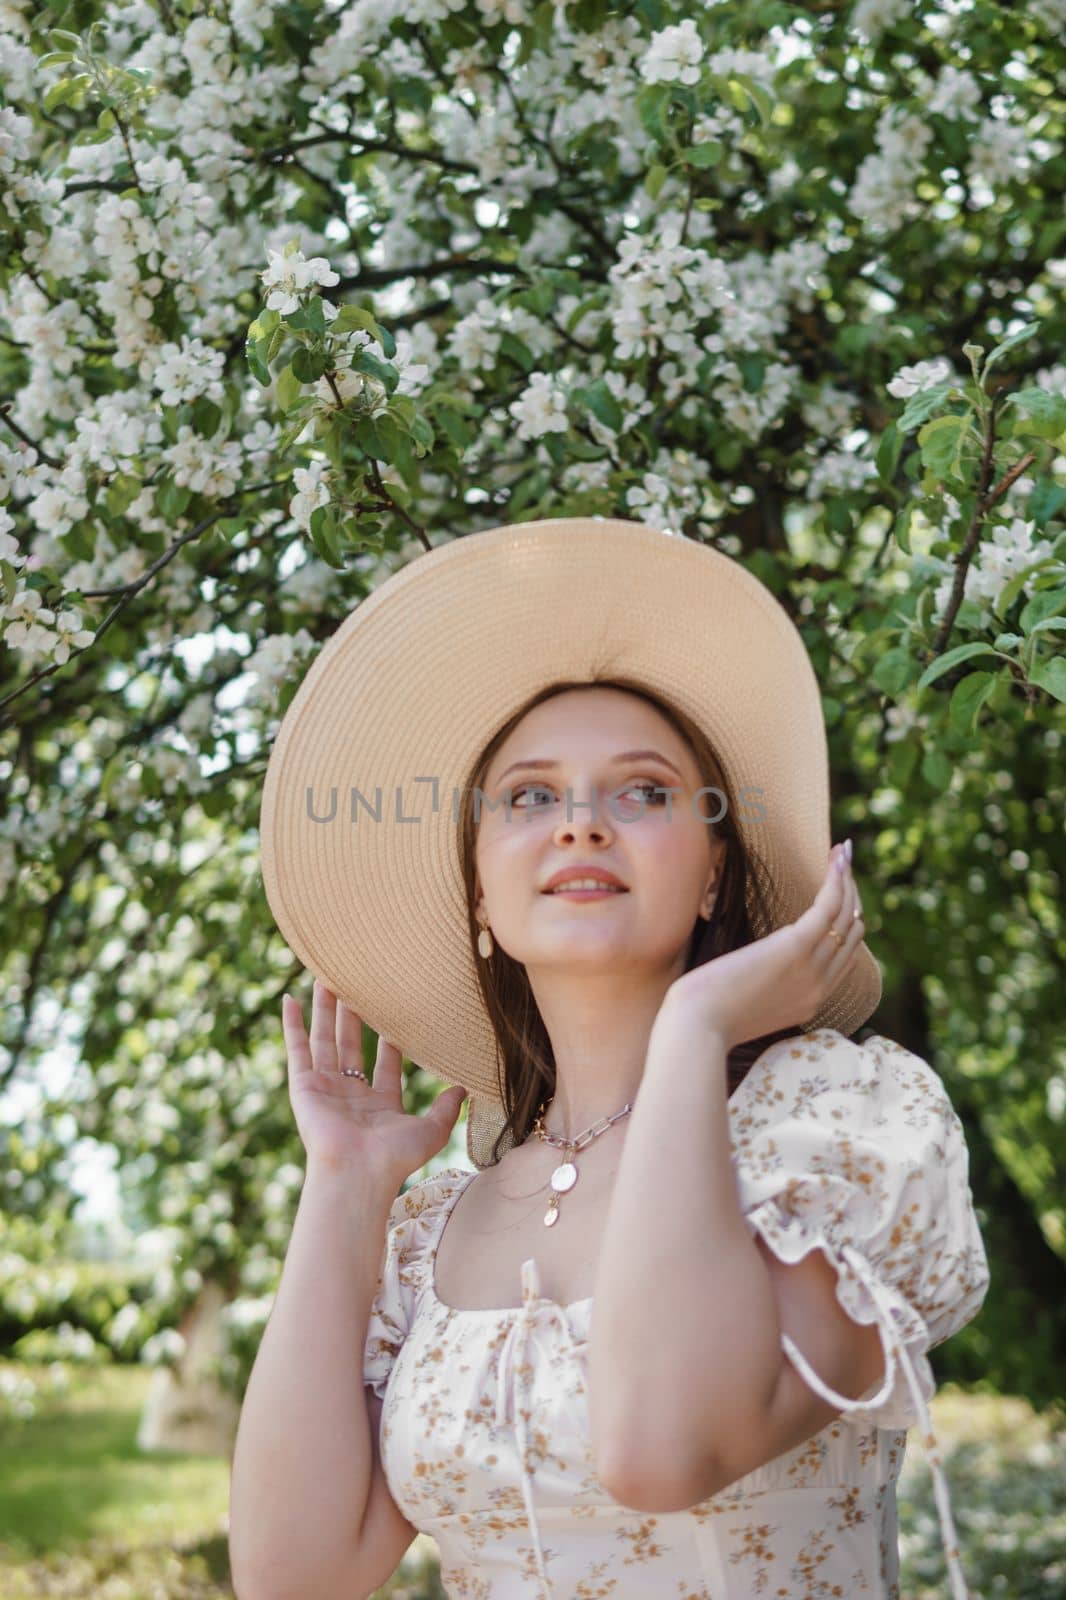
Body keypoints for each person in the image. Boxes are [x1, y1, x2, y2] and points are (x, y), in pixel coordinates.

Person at [232, 516, 990, 1600]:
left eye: (641, 791)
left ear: (716, 878)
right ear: (481, 897)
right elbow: (289, 1579)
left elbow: (658, 1450)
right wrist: (346, 1188)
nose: (581, 823)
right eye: (530, 796)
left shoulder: (836, 1133)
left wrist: (694, 1028)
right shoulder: (429, 1235)